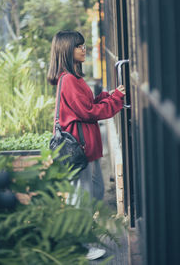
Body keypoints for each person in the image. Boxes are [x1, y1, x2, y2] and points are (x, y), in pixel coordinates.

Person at [47, 30, 126, 260]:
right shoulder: (69, 79)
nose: (84, 49)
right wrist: (116, 100)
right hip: (78, 150)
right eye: (78, 46)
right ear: (66, 51)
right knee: (81, 199)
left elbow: (88, 104)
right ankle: (80, 245)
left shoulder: (75, 78)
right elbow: (89, 112)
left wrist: (108, 96)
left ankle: (80, 238)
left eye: (82, 45)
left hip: (87, 148)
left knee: (94, 193)